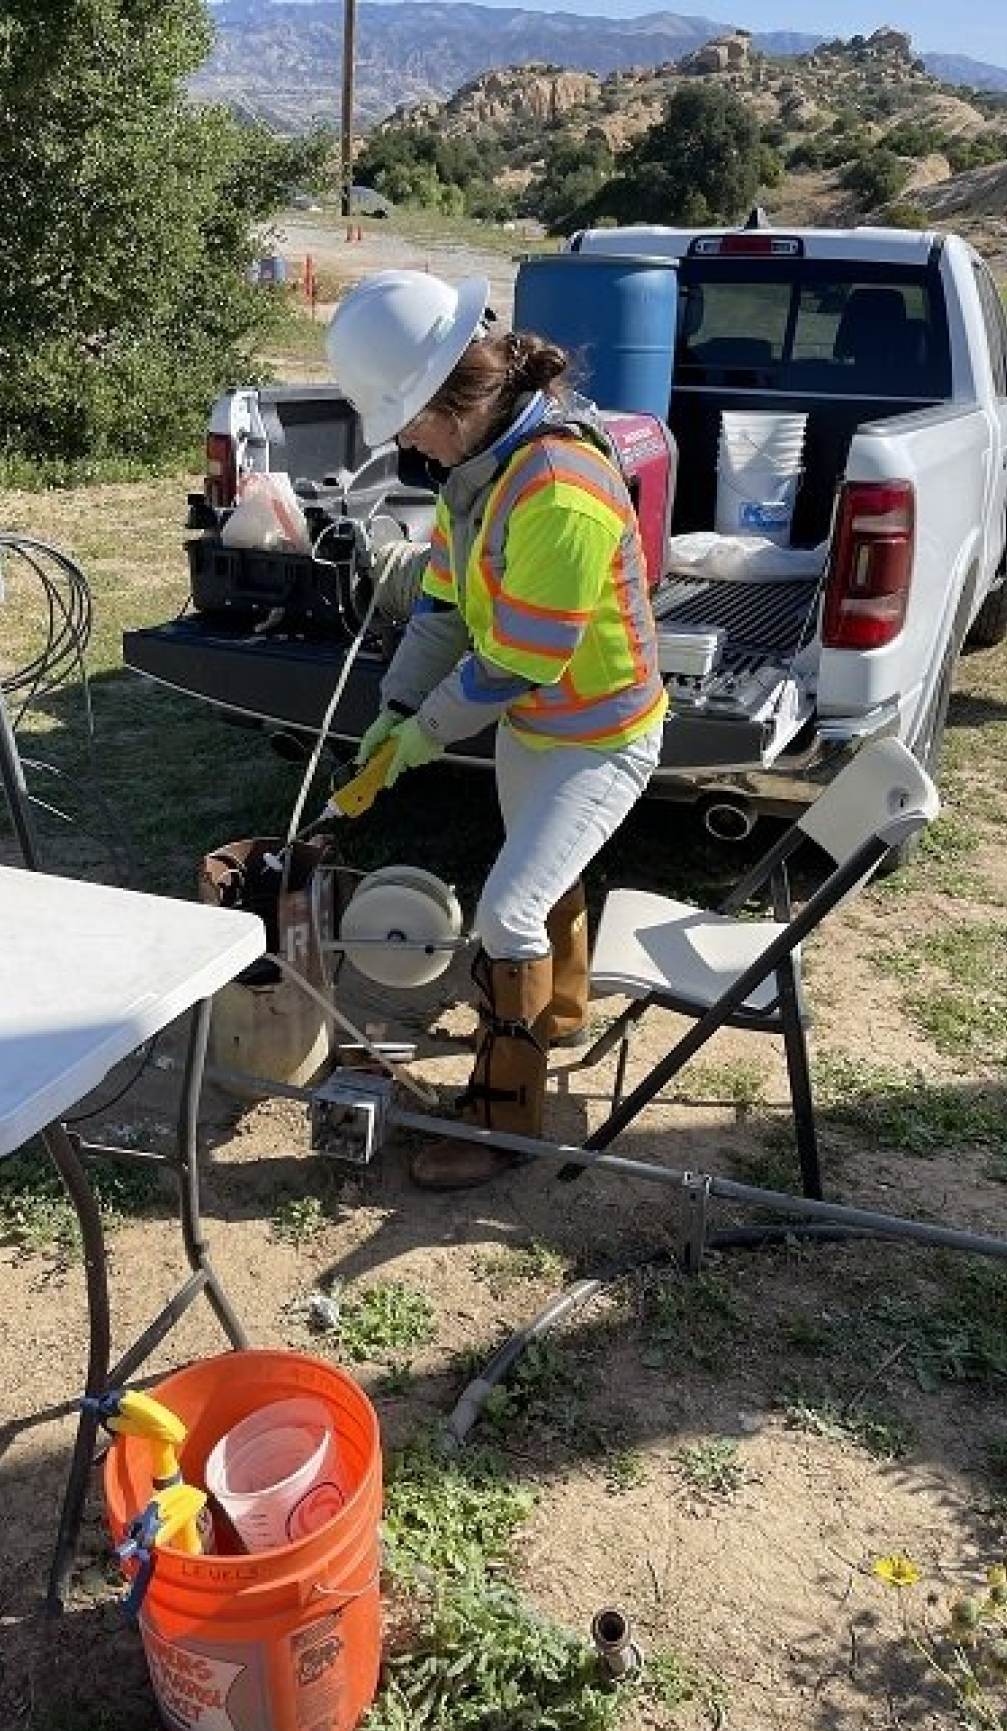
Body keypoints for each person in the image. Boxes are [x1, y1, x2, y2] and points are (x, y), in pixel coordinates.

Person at [325, 269, 666, 1191]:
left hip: (600, 735)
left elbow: (520, 659)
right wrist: (395, 710)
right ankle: (557, 1014)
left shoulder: (559, 488)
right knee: (540, 874)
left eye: (404, 421)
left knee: (508, 911)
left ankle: (504, 1125)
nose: (402, 441)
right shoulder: (474, 476)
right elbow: (442, 610)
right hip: (538, 728)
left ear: (452, 399)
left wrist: (430, 733)